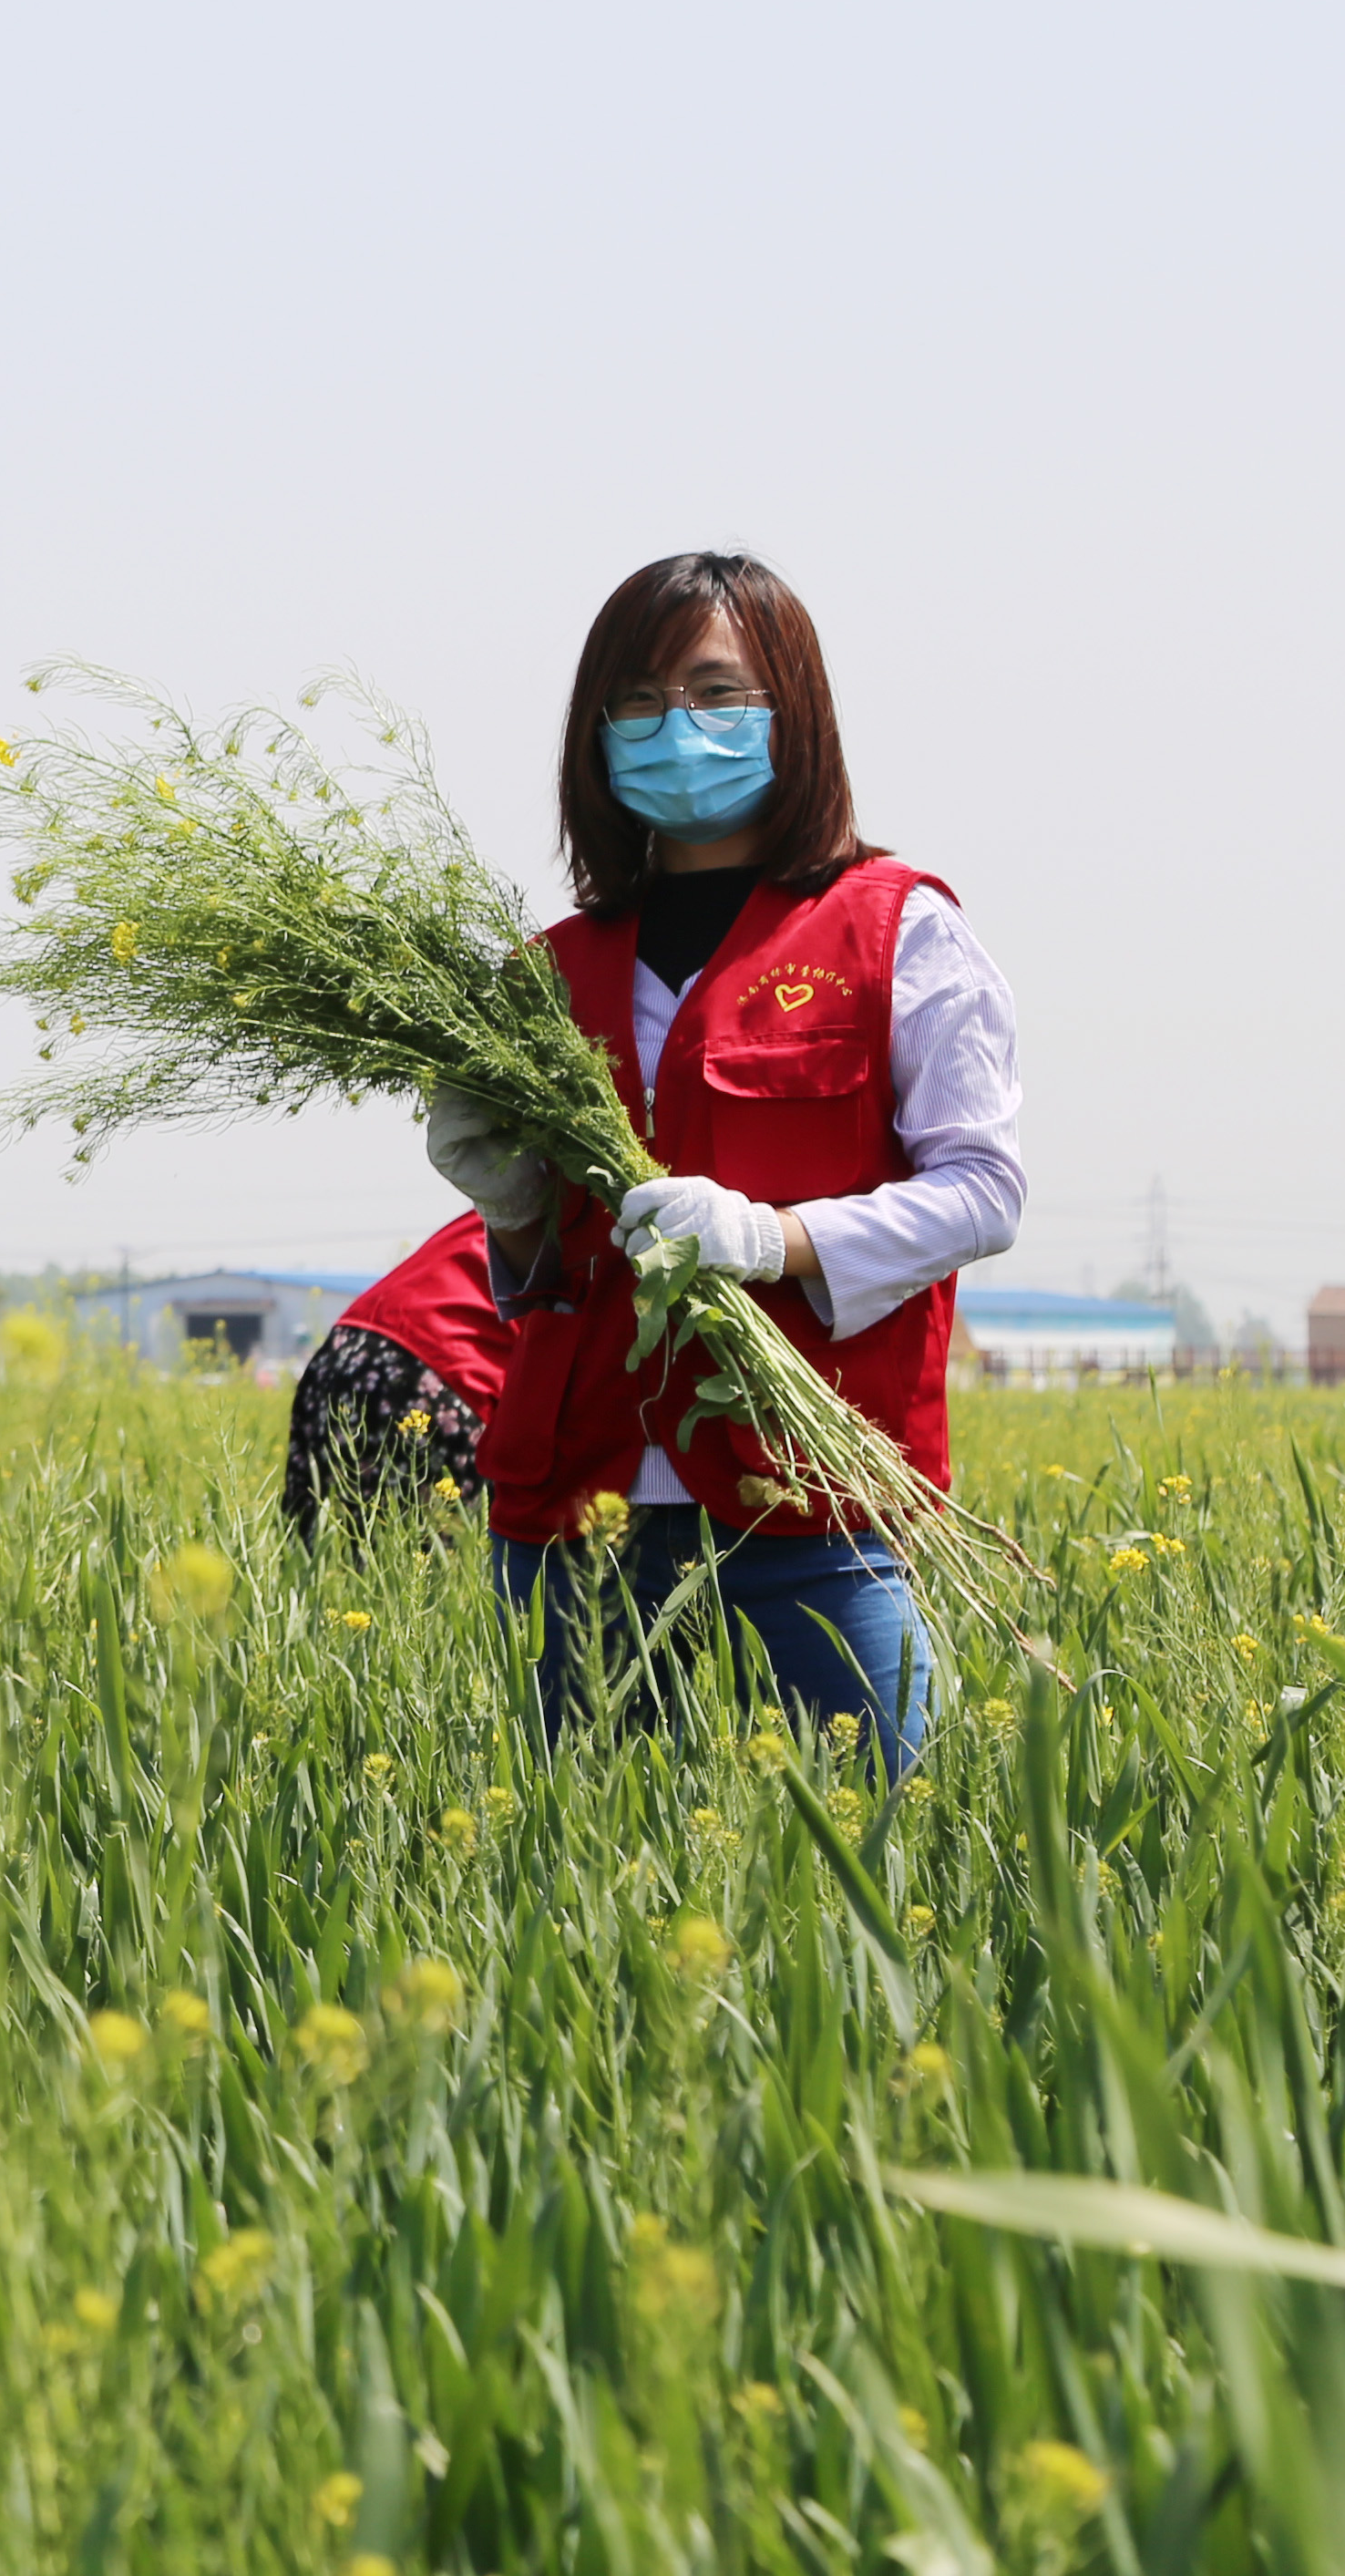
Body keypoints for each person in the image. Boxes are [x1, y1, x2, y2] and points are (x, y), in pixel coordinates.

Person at [420, 551, 1022, 1775]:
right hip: (575, 1516)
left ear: (791, 713)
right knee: (580, 1884)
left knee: (876, 1862)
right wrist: (512, 1205)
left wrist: (774, 1238)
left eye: (713, 693)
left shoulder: (898, 930)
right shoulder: (549, 969)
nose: (672, 731)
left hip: (810, 1505)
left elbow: (983, 1193)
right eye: (634, 705)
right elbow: (543, 1277)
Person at [280, 1211, 518, 1540]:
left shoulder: (522, 1185)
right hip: (430, 1367)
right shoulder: (596, 1206)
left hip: (347, 1346)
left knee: (314, 1554)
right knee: (424, 1570)